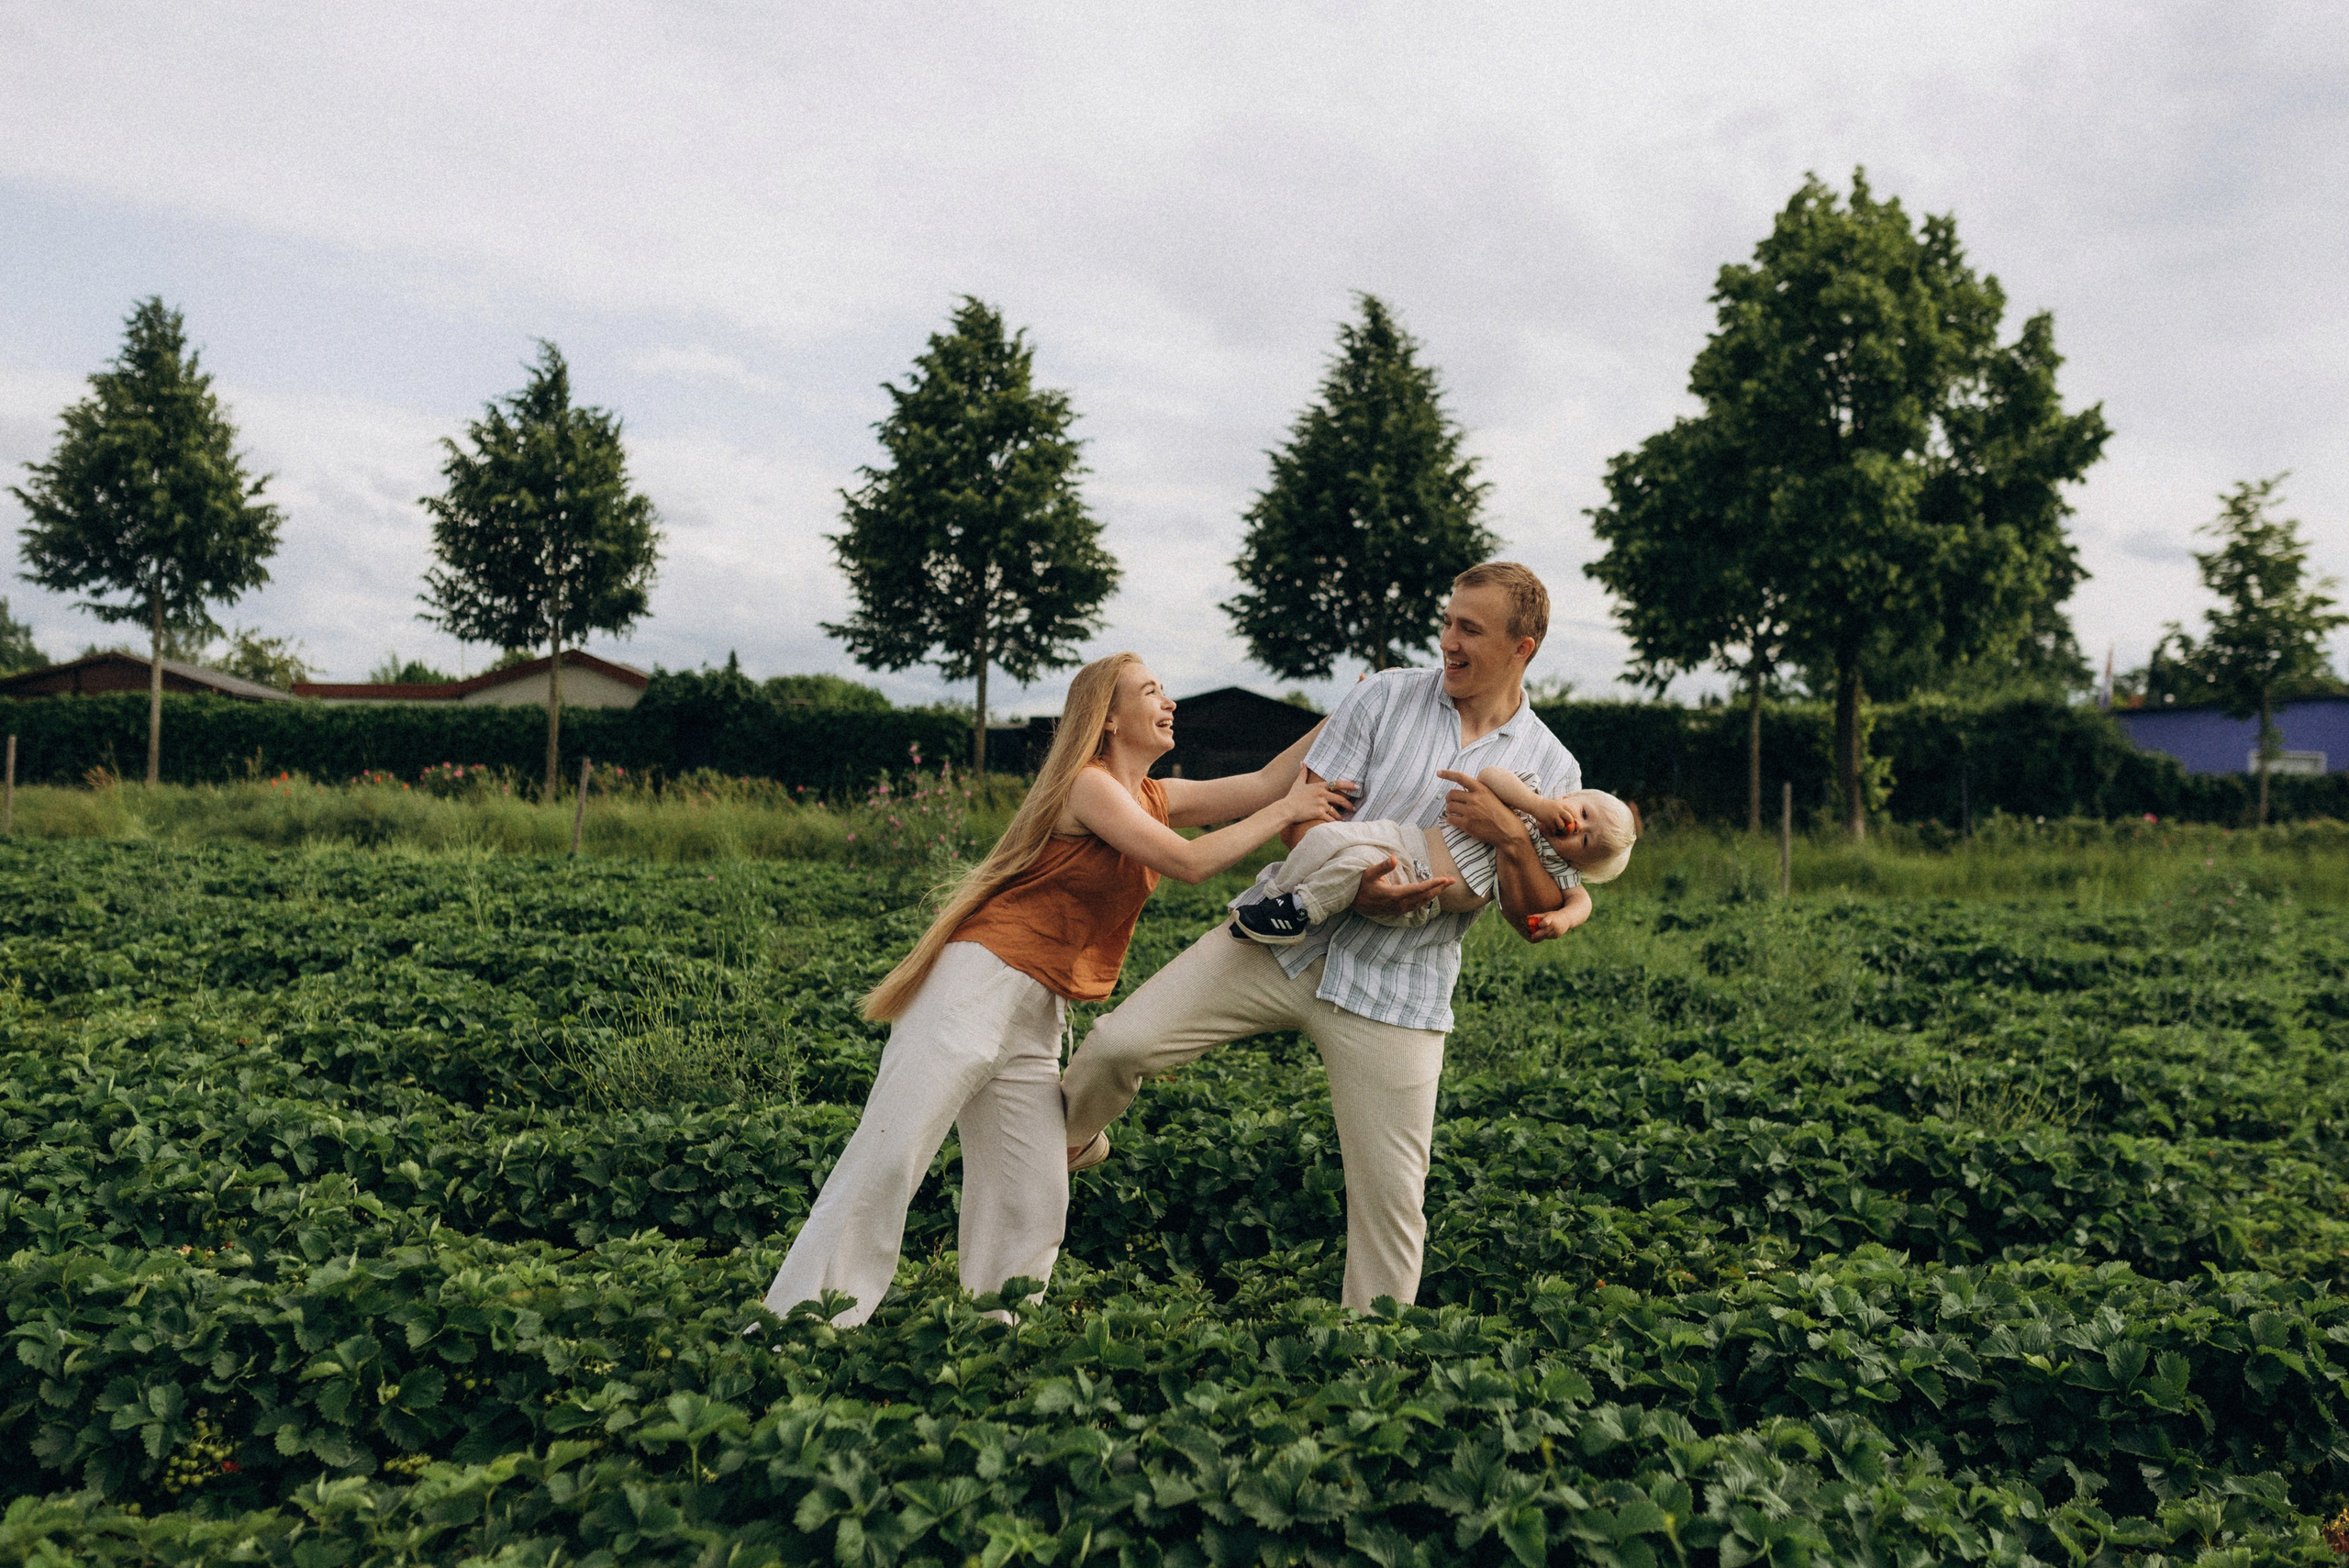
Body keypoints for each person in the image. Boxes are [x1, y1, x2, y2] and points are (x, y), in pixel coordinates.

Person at [761, 651, 1352, 1327]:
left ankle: (996, 1334)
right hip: (975, 984)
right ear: (1107, 717)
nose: (1170, 702)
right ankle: (800, 1329)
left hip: (1039, 1006)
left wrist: (1351, 713)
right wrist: (1289, 814)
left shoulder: (1156, 794)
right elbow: (1189, 861)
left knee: (1032, 1194)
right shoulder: (1087, 785)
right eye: (1152, 691)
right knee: (890, 1154)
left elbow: (1270, 780)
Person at [1061, 562, 1580, 1312]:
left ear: (1522, 646)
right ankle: (1067, 1147)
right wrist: (1356, 883)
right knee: (1115, 1046)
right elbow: (1307, 811)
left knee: (1393, 1207)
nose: (1448, 639)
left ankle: (1364, 1378)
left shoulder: (1552, 768)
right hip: (1282, 942)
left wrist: (1514, 840)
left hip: (1398, 991)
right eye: (1447, 621)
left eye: (1470, 628)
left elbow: (1531, 916)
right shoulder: (1383, 695)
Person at [1228, 767, 1637, 945]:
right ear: (1570, 797)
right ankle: (1273, 900)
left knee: (1351, 868)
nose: (1576, 827)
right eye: (1584, 814)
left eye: (1585, 842)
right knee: (1329, 837)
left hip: (1420, 889)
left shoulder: (1559, 869)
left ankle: (1298, 909)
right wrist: (1535, 805)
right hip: (1406, 840)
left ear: (1580, 863)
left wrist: (1562, 918)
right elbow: (1493, 776)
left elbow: (1581, 903)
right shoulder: (1529, 797)